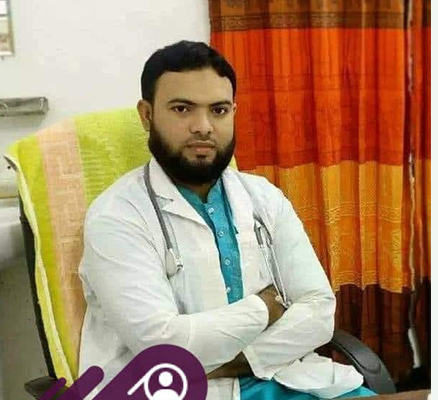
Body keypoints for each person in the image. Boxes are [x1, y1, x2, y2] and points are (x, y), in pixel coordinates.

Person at [78, 40, 373, 400]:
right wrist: (265, 307)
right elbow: (162, 349)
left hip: (286, 379)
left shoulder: (263, 197)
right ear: (147, 114)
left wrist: (237, 362)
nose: (203, 127)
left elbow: (319, 311)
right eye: (182, 109)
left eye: (218, 110)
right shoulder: (117, 216)